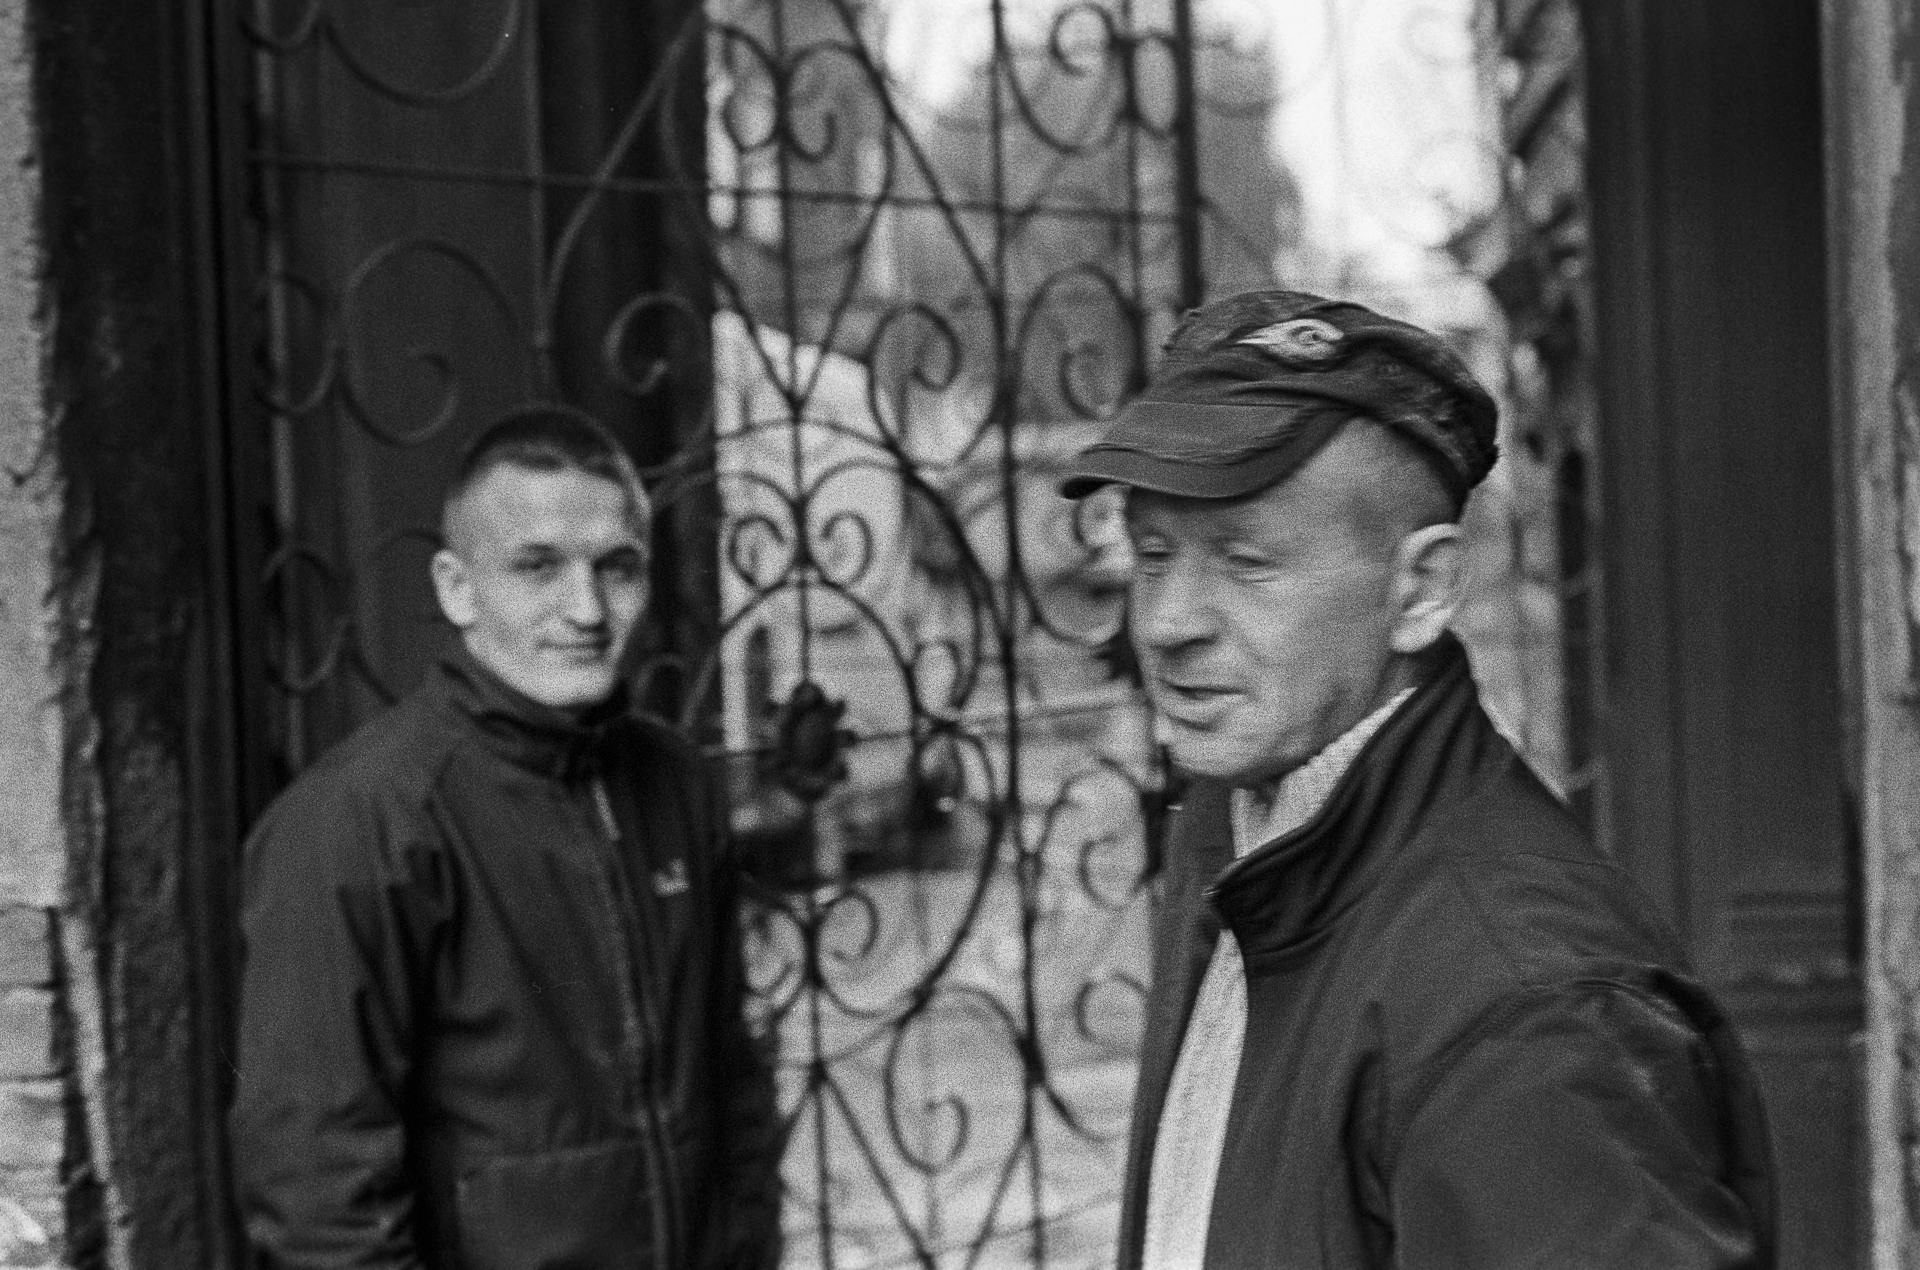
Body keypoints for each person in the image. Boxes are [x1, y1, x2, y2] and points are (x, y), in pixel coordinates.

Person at [1060, 291, 1774, 1269]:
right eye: (1152, 554)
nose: (1167, 621)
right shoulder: (1236, 820)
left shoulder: (1528, 1010)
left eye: (1246, 561)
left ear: (1423, 590)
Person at [230, 408, 782, 1269]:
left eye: (616, 568)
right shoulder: (358, 822)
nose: (587, 609)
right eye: (537, 567)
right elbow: (316, 1188)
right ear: (457, 588)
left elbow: (731, 1087)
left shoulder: (673, 780)